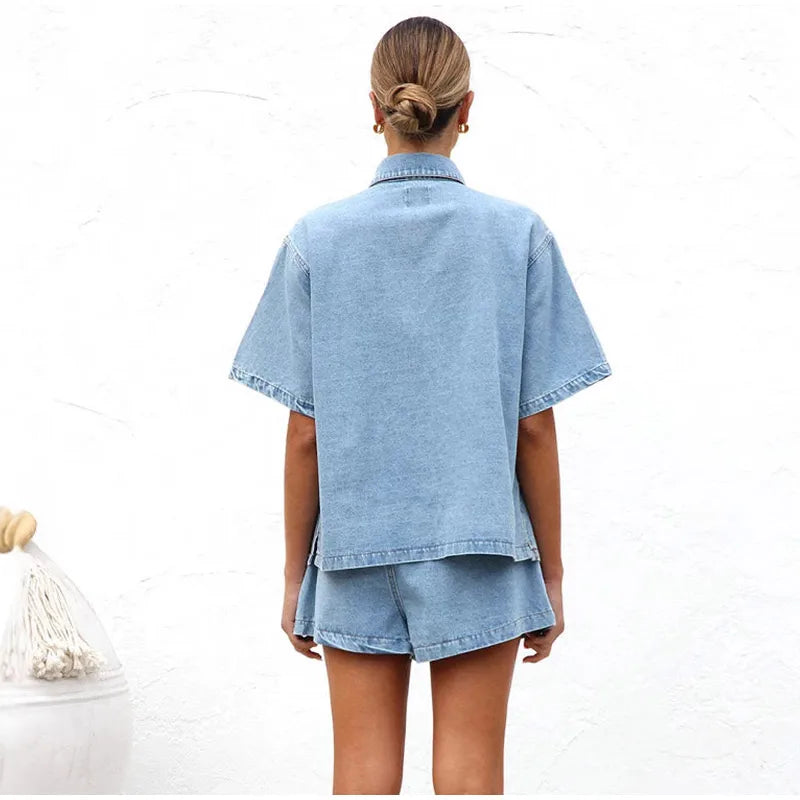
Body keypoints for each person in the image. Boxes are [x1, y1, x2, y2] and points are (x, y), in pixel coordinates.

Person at [228, 15, 612, 795]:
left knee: (362, 776)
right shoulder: (517, 236)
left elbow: (305, 434)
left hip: (355, 546)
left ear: (375, 109)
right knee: (471, 775)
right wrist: (553, 573)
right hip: (482, 546)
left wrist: (294, 576)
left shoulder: (317, 240)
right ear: (466, 109)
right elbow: (535, 428)